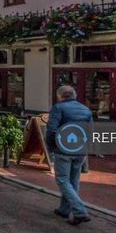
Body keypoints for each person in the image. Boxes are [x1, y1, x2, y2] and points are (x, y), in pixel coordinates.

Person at [46, 85, 94, 225]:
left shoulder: (58, 108)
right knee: (73, 181)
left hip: (63, 150)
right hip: (80, 150)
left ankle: (80, 211)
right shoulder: (86, 109)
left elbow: (51, 130)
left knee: (62, 180)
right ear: (74, 95)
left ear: (60, 96)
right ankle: (64, 209)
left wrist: (51, 147)